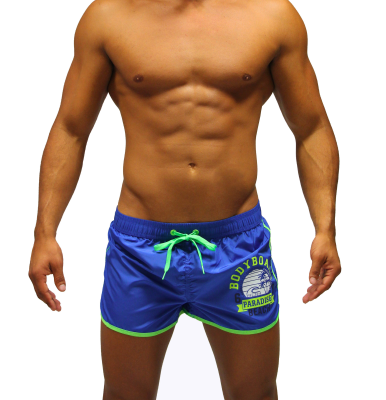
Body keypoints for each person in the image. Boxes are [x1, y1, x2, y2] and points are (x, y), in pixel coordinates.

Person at [28, 0, 341, 399]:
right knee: (124, 395)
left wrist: (325, 229)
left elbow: (311, 127)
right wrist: (45, 233)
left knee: (256, 394)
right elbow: (71, 129)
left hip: (238, 248)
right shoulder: (109, 16)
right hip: (139, 251)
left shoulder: (272, 15)